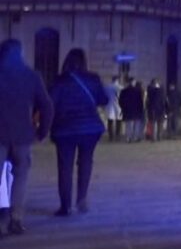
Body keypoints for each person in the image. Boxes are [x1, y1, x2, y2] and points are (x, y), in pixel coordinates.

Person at [0, 39, 54, 235]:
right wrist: (42, 132)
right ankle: (15, 218)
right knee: (20, 176)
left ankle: (0, 218)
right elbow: (47, 106)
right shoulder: (31, 76)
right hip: (22, 135)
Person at [48, 48, 109, 216]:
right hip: (90, 128)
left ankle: (65, 206)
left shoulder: (60, 80)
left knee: (65, 166)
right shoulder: (93, 78)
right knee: (86, 161)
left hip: (64, 129)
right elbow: (103, 99)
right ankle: (82, 199)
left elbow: (51, 102)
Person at [118, 78, 145, 143]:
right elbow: (140, 101)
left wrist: (123, 108)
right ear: (133, 82)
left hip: (127, 110)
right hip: (137, 109)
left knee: (128, 124)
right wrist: (141, 109)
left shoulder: (124, 91)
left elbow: (120, 101)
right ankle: (135, 137)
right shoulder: (138, 91)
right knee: (137, 124)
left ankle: (128, 137)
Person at [103, 76, 122, 142]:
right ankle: (117, 135)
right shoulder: (120, 87)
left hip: (109, 105)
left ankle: (111, 136)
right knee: (119, 121)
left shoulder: (107, 87)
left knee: (110, 121)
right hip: (118, 106)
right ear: (117, 80)